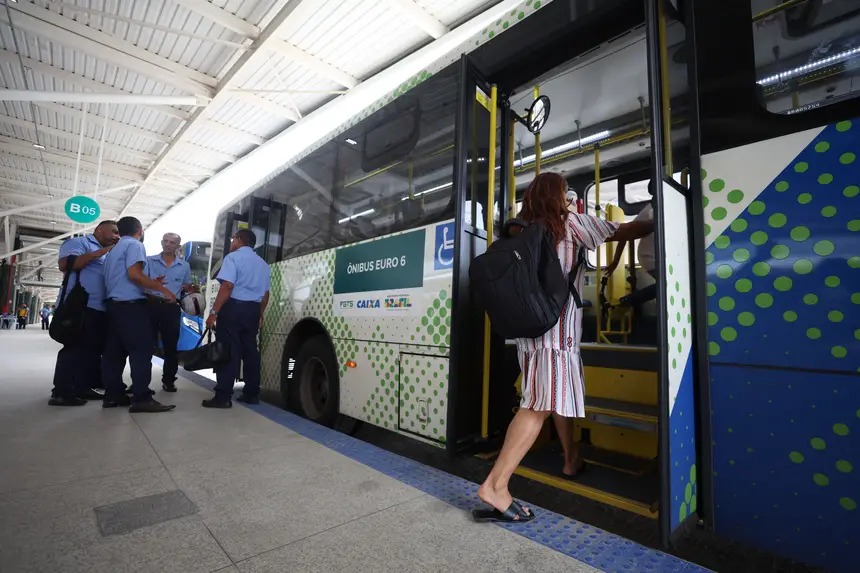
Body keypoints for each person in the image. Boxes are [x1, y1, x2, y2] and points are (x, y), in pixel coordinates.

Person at [472, 173, 653, 523]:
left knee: (547, 397)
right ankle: (496, 484)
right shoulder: (571, 224)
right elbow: (623, 232)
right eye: (566, 192)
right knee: (537, 406)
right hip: (556, 334)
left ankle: (571, 459)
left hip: (529, 334)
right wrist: (654, 219)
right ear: (560, 196)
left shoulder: (520, 229)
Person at [101, 216, 177, 413]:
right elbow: (134, 275)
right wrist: (162, 289)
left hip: (114, 306)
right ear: (140, 230)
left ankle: (112, 396)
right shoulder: (134, 245)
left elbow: (122, 279)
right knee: (141, 352)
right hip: (131, 308)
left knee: (114, 353)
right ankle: (141, 398)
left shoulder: (113, 250)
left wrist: (150, 284)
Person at [49, 220, 119, 406]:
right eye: (113, 231)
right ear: (99, 229)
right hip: (79, 305)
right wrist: (104, 251)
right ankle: (61, 392)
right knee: (73, 348)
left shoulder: (110, 253)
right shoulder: (79, 243)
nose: (116, 235)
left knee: (91, 351)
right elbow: (66, 264)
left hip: (100, 308)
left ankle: (81, 387)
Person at [203, 229, 270, 408]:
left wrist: (213, 313)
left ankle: (223, 396)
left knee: (229, 351)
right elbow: (265, 295)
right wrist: (260, 314)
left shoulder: (232, 258)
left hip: (233, 309)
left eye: (233, 239)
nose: (232, 242)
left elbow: (227, 285)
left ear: (239, 240)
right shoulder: (263, 264)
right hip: (253, 311)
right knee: (250, 352)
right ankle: (251, 394)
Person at [145, 232, 193, 393]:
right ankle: (141, 382)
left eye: (172, 242)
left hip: (171, 309)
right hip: (150, 305)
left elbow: (188, 287)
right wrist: (153, 285)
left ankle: (169, 381)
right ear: (161, 242)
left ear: (177, 247)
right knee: (145, 345)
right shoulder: (149, 261)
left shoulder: (184, 266)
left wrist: (190, 289)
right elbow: (140, 282)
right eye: (165, 241)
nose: (167, 244)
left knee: (171, 346)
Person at [606, 180, 657, 308]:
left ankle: (629, 300)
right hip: (649, 256)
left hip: (657, 254)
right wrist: (616, 261)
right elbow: (626, 235)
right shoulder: (650, 211)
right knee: (667, 283)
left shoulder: (663, 207)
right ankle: (628, 301)